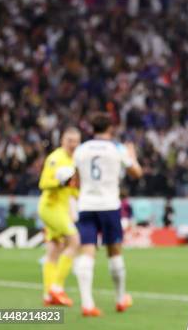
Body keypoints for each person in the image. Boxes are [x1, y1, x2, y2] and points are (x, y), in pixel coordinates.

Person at [73, 112, 143, 317]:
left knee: (87, 252)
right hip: (109, 205)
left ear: (91, 129)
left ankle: (87, 304)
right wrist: (132, 156)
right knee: (114, 251)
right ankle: (121, 299)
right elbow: (137, 173)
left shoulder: (81, 149)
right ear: (111, 128)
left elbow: (75, 181)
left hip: (86, 204)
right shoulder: (117, 148)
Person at [37, 127, 81, 307]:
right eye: (70, 141)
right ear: (63, 141)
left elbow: (73, 188)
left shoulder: (74, 160)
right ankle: (57, 287)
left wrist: (77, 201)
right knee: (74, 241)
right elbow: (43, 183)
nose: (74, 144)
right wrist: (59, 182)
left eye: (77, 141)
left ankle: (48, 295)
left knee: (55, 248)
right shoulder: (56, 158)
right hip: (51, 207)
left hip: (62, 208)